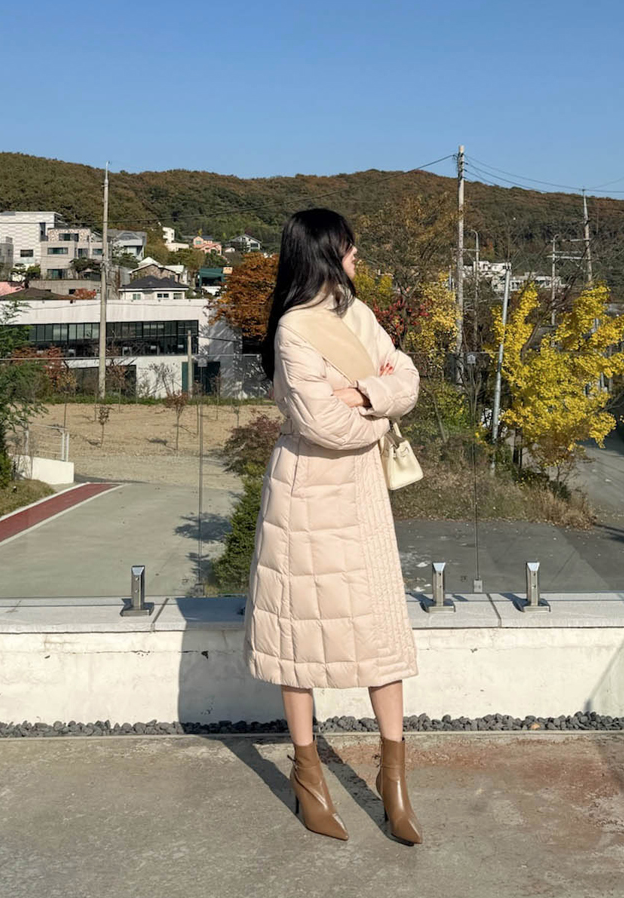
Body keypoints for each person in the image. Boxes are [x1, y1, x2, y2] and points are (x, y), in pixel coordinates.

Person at [242, 207, 422, 845]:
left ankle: (393, 777)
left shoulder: (358, 314)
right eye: (348, 249)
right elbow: (323, 425)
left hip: (361, 494)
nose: (355, 258)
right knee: (298, 633)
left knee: (381, 629)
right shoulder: (293, 329)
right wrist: (375, 400)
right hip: (307, 496)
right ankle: (308, 772)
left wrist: (363, 394)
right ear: (323, 253)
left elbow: (408, 378)